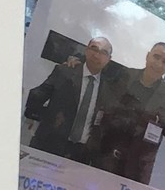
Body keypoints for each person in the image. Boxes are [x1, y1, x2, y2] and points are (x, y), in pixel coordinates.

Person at [91, 40, 165, 185]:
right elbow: (96, 92)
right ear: (148, 56)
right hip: (100, 158)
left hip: (134, 173)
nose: (159, 64)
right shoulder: (123, 76)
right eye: (156, 57)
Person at [25, 35, 116, 163]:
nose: (97, 55)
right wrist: (48, 118)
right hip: (49, 144)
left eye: (103, 52)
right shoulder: (64, 72)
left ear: (109, 59)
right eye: (94, 49)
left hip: (81, 154)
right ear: (86, 50)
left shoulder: (109, 88)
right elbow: (36, 97)